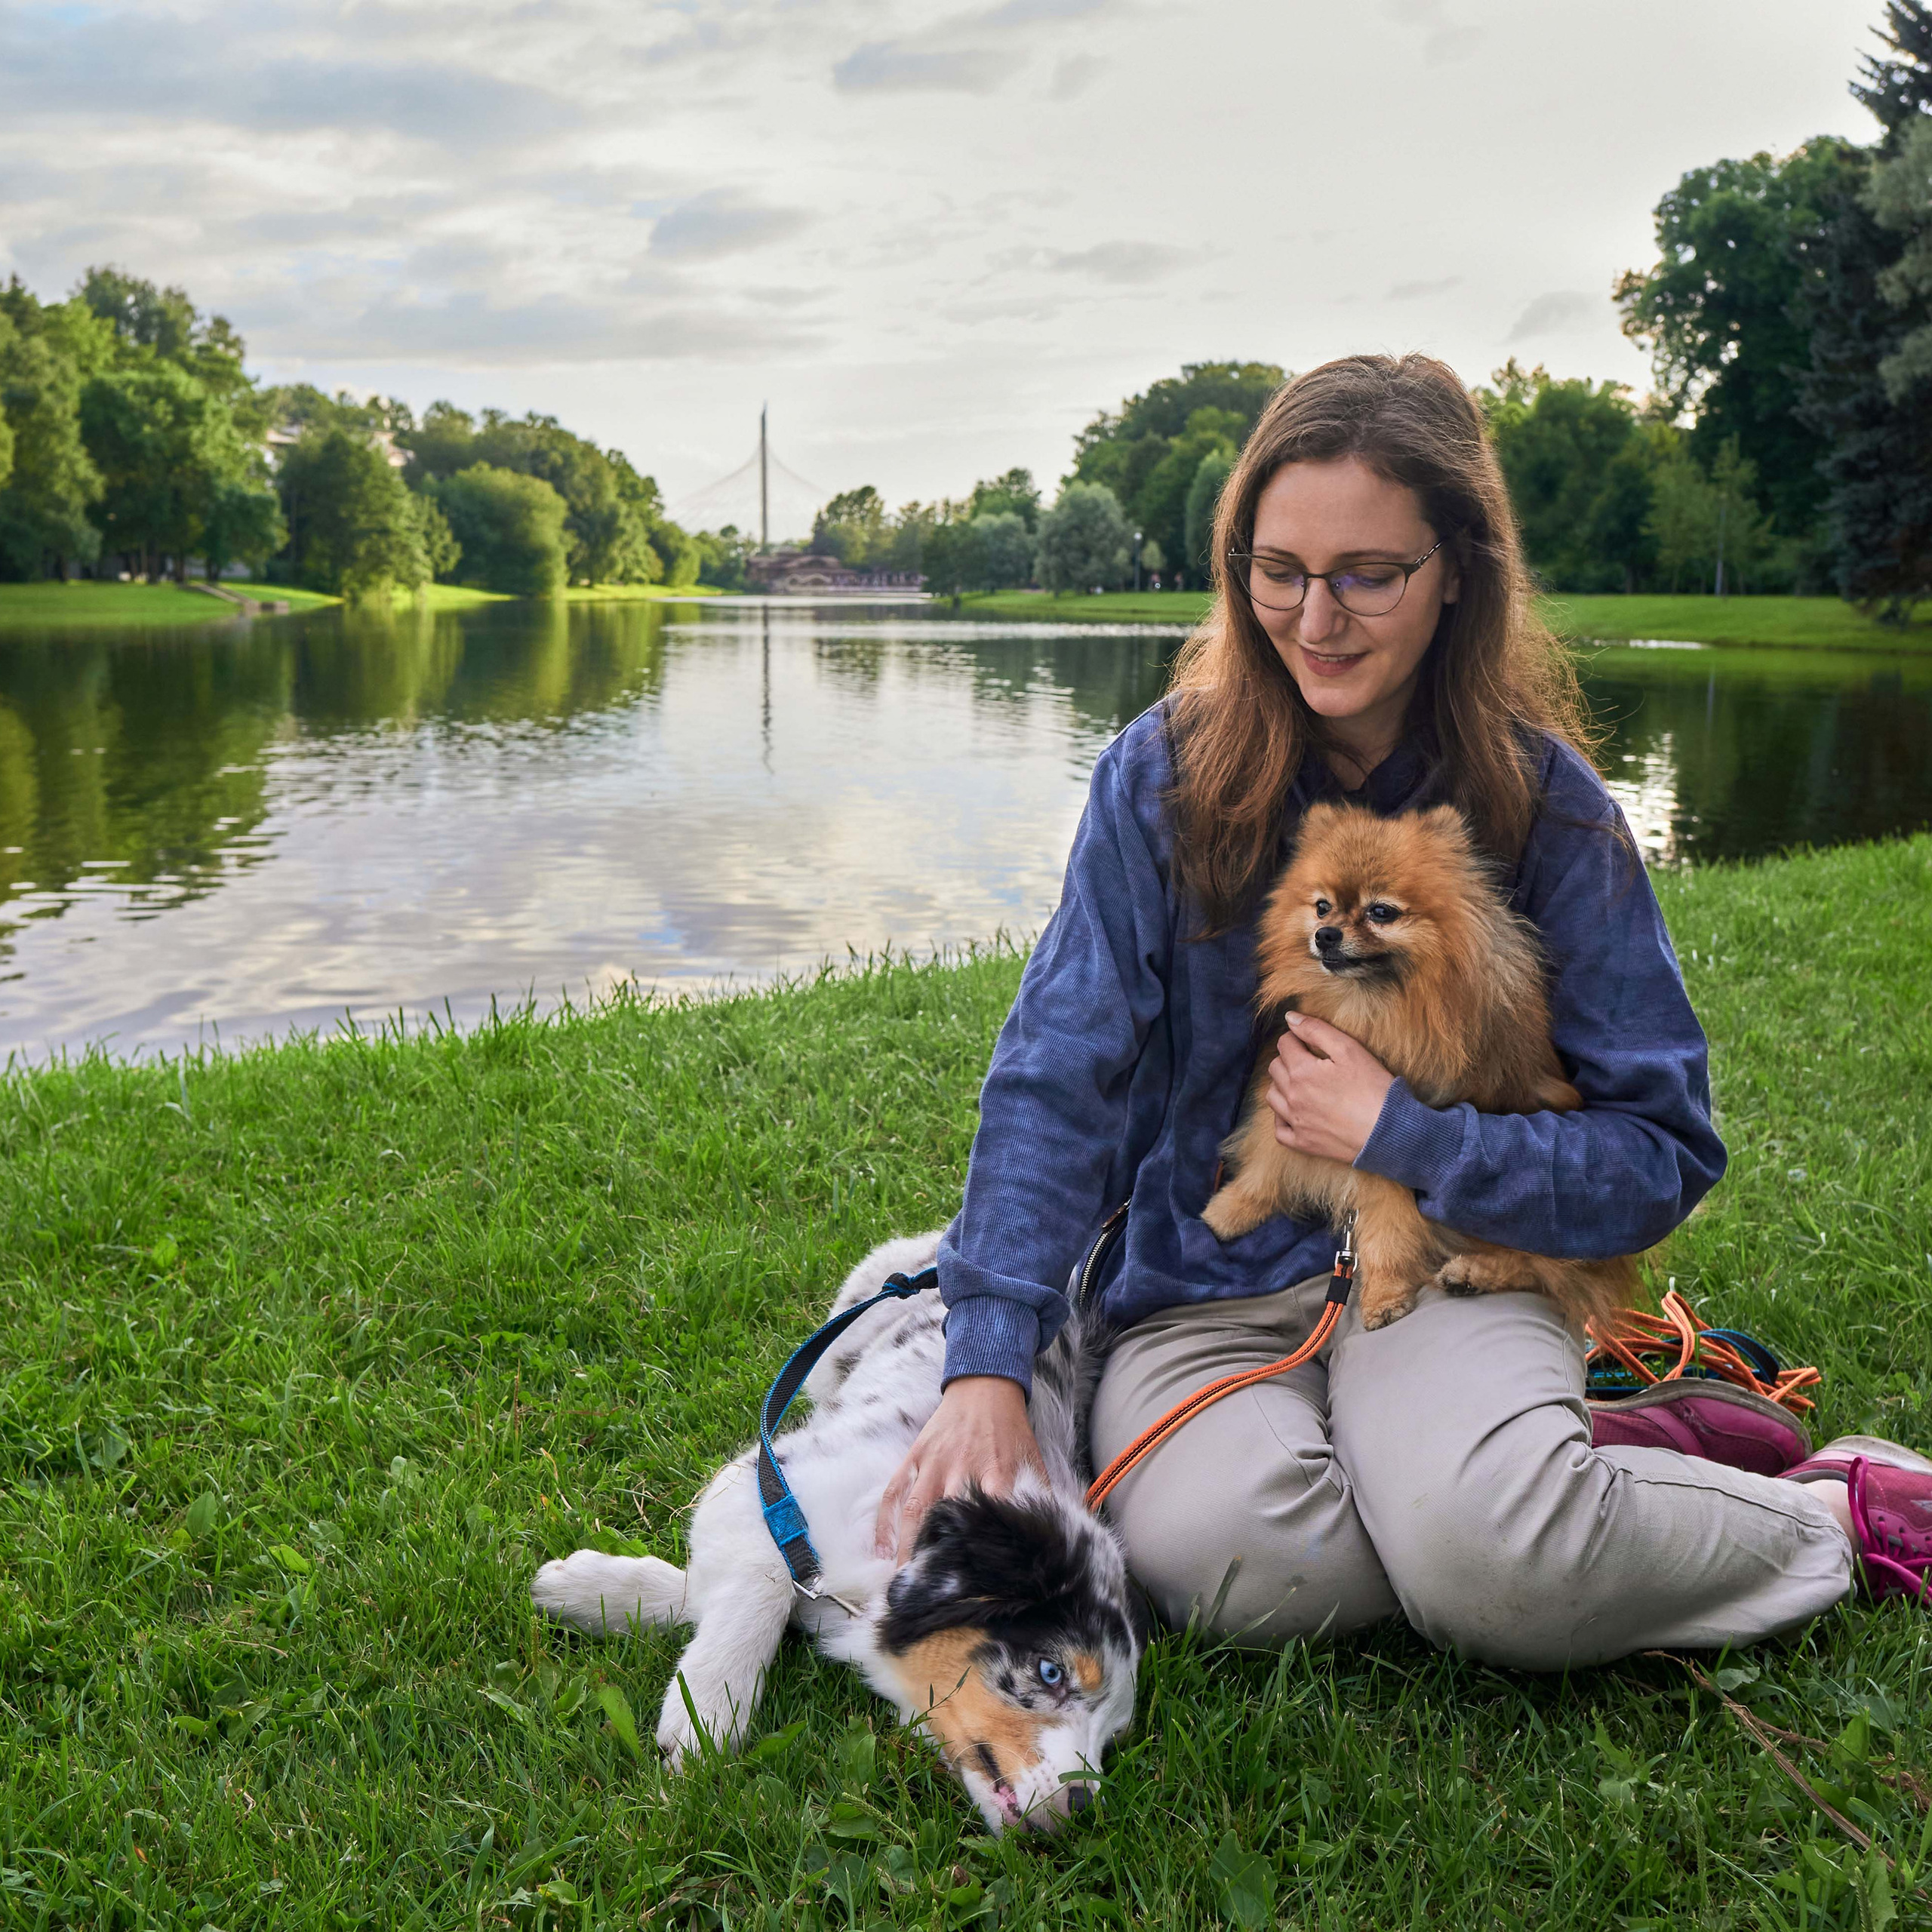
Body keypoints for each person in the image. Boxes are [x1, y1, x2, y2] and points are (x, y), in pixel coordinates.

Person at [875, 354, 1930, 1662]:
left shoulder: (1553, 813)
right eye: (1277, 570)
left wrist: (1406, 1135)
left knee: (1497, 1562)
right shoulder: (1159, 778)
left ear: (1459, 575)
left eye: (1367, 575)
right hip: (1203, 1289)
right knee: (1247, 1569)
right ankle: (1564, 1461)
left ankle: (1830, 1507)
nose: (1314, 619)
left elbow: (1661, 1152)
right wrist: (985, 1366)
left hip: (1455, 1263)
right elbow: (1055, 1071)